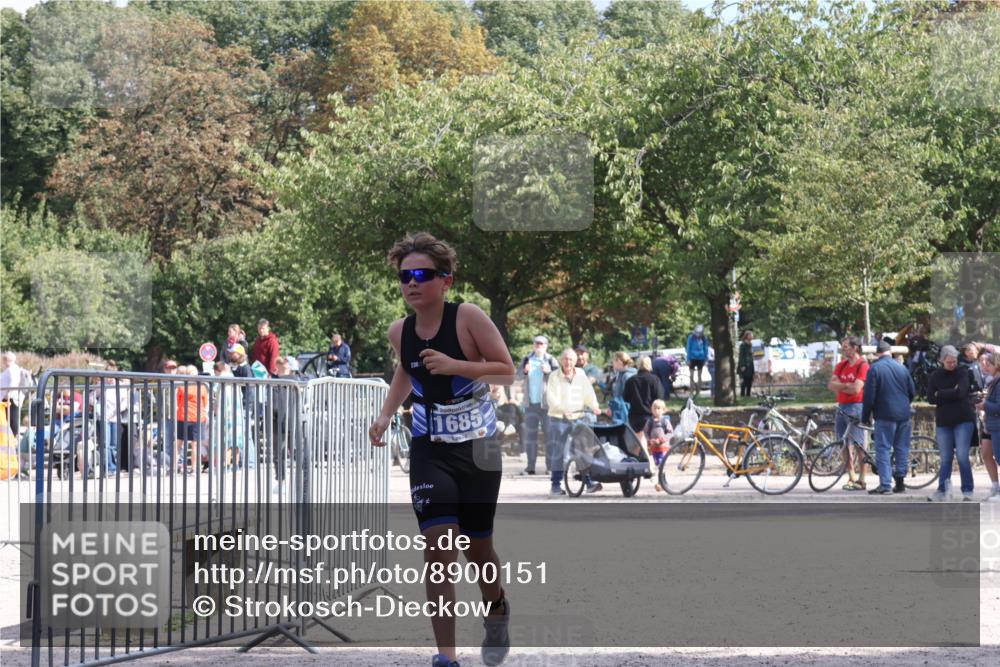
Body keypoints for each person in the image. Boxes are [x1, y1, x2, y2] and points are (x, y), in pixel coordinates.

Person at [367, 232, 515, 667]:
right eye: (403, 276)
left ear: (445, 281)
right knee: (437, 548)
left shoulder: (467, 317)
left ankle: (497, 608)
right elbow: (406, 371)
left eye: (422, 275)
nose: (411, 283)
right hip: (429, 448)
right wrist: (385, 415)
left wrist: (454, 366)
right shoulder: (400, 331)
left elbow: (505, 371)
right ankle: (445, 657)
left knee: (478, 548)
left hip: (478, 449)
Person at [861, 341, 916, 495]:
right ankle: (900, 483)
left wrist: (865, 417)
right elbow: (912, 391)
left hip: (884, 415)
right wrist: (904, 404)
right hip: (904, 414)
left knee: (883, 449)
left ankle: (885, 485)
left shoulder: (874, 369)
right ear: (890, 352)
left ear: (877, 354)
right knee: (901, 448)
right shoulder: (902, 368)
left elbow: (869, 396)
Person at [546, 348, 603, 496]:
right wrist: (562, 409)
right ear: (561, 360)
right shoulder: (554, 376)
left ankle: (589, 482)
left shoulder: (581, 374)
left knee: (583, 449)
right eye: (565, 359)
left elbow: (588, 393)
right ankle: (555, 485)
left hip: (578, 417)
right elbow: (551, 397)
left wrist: (594, 406)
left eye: (571, 359)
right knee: (558, 451)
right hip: (559, 418)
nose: (568, 362)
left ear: (575, 361)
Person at [927, 345, 977, 501]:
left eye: (954, 361)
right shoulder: (935, 375)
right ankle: (942, 489)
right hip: (944, 420)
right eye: (949, 362)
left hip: (963, 418)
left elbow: (961, 392)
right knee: (945, 457)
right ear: (942, 360)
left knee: (962, 456)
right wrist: (951, 392)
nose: (952, 364)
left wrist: (940, 393)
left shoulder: (963, 372)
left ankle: (967, 490)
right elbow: (930, 398)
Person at [828, 336, 869, 491]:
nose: (843, 349)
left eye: (846, 346)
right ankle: (851, 476)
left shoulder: (862, 366)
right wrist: (846, 385)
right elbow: (831, 385)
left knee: (859, 444)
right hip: (842, 406)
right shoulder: (841, 365)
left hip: (857, 406)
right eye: (843, 346)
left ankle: (862, 478)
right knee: (843, 443)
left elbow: (856, 389)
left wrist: (841, 385)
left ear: (855, 347)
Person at [518, 335, 558, 476]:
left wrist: (549, 372)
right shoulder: (526, 359)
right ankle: (530, 467)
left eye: (541, 344)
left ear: (546, 346)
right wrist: (524, 371)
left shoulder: (551, 360)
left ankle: (550, 467)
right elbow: (517, 376)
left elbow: (560, 378)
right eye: (536, 343)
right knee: (530, 437)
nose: (538, 346)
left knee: (550, 436)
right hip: (530, 405)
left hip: (547, 405)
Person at [176, 366, 209, 474]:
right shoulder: (202, 387)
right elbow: (205, 403)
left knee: (178, 443)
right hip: (198, 416)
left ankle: (173, 468)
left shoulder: (181, 386)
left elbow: (178, 401)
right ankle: (194, 469)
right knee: (195, 444)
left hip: (183, 416)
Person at [978, 351, 1000, 501]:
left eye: (988, 363)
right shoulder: (994, 381)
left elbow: (998, 406)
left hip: (996, 423)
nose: (985, 366)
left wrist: (985, 404)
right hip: (990, 423)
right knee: (988, 454)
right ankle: (995, 487)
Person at [623, 356, 664, 438]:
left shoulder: (631, 380)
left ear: (638, 365)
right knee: (649, 441)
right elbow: (659, 397)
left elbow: (625, 398)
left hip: (634, 417)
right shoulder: (655, 380)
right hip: (650, 416)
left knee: (638, 442)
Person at [644, 399, 673, 492]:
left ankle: (661, 482)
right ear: (651, 410)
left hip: (663, 447)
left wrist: (662, 439)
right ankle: (662, 480)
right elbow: (646, 432)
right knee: (657, 463)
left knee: (661, 463)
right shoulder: (650, 421)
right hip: (654, 447)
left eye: (659, 408)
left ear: (663, 410)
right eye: (654, 408)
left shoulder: (665, 421)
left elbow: (670, 432)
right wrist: (649, 440)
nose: (656, 411)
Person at [0, 352, 29, 437]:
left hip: (11, 398)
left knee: (13, 419)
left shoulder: (13, 369)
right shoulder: (10, 369)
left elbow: (13, 382)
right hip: (7, 397)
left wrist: (9, 394)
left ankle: (14, 438)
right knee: (8, 419)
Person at [607, 352, 637, 425]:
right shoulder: (620, 374)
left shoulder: (626, 375)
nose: (612, 363)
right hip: (619, 409)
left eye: (614, 361)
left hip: (624, 411)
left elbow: (629, 396)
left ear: (619, 361)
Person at [686, 325, 710, 395]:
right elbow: (688, 348)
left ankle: (698, 392)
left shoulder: (704, 338)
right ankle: (691, 392)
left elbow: (706, 348)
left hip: (701, 358)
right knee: (691, 376)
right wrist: (688, 359)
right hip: (692, 358)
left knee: (699, 375)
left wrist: (705, 359)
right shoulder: (691, 337)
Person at [737, 330, 755, 398]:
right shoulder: (743, 345)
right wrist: (742, 365)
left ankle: (748, 394)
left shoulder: (750, 344)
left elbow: (750, 355)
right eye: (750, 335)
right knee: (744, 380)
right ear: (747, 336)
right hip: (745, 365)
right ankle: (742, 394)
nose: (752, 336)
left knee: (750, 380)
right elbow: (741, 356)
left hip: (750, 365)